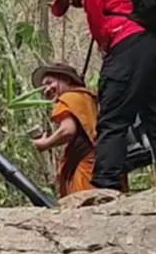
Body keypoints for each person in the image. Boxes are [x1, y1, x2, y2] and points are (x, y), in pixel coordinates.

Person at [50, 0, 156, 189]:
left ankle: (105, 185)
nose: (72, 4)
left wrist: (102, 40)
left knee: (112, 120)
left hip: (128, 45)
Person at [30, 62, 126, 196]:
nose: (46, 89)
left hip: (88, 170)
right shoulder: (89, 98)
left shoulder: (68, 98)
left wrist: (45, 144)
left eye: (49, 82)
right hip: (107, 163)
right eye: (42, 88)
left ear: (66, 79)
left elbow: (67, 130)